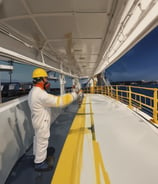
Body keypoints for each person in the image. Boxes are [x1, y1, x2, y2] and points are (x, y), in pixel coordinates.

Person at [28, 68, 81, 171]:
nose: (47, 81)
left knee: (38, 138)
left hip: (37, 120)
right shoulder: (40, 94)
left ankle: (37, 154)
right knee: (42, 140)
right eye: (46, 79)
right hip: (42, 122)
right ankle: (39, 163)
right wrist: (75, 94)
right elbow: (59, 101)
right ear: (40, 80)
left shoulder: (33, 91)